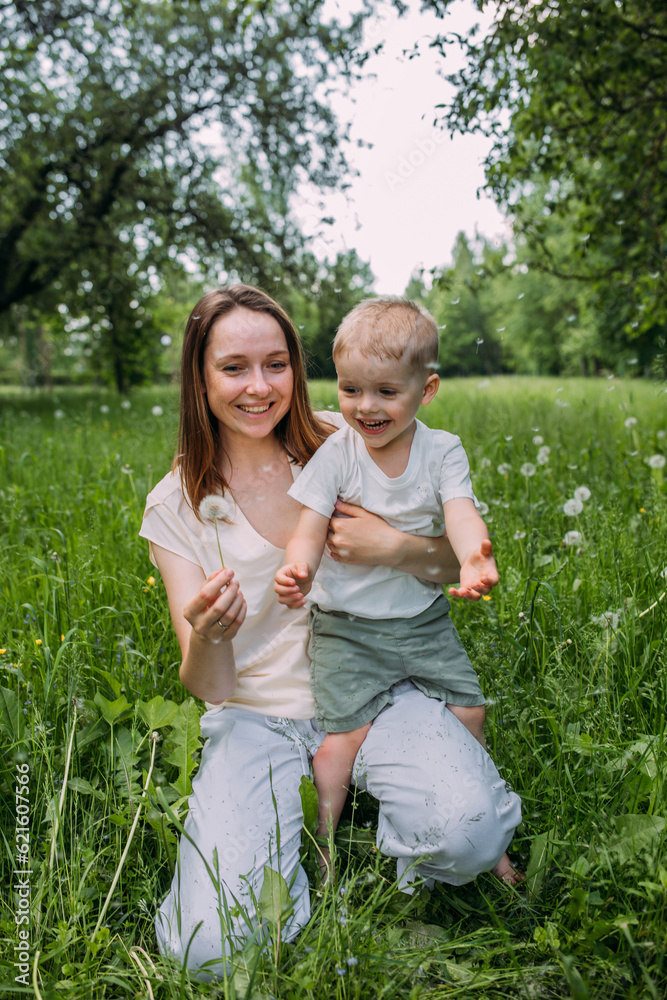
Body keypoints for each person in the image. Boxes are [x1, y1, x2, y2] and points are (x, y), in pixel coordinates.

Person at [140, 284, 521, 981]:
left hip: (380, 688)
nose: (259, 387)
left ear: (297, 368)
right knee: (208, 950)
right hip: (258, 718)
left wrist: (397, 549)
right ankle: (291, 850)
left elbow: (450, 563)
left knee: (467, 835)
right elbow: (205, 684)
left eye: (276, 364)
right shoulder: (177, 505)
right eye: (233, 367)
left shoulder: (346, 440)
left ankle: (387, 803)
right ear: (199, 377)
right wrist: (212, 635)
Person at [274, 296, 517, 883]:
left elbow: (459, 512)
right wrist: (299, 568)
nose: (365, 406)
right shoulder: (338, 451)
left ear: (426, 389)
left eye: (387, 391)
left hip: (422, 618)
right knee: (340, 741)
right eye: (351, 389)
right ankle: (327, 845)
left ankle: (494, 838)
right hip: (347, 629)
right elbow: (309, 522)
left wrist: (473, 555)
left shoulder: (442, 450)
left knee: (470, 707)